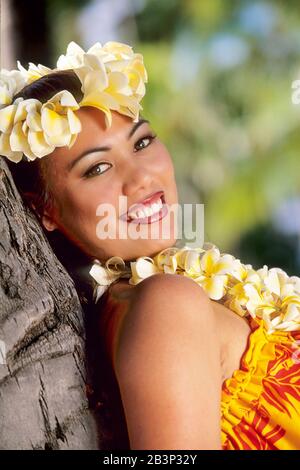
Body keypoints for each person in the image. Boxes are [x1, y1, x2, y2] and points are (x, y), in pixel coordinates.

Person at [1, 40, 300, 450]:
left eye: (141, 142)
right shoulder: (164, 306)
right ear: (45, 213)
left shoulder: (169, 293)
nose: (142, 177)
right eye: (98, 168)